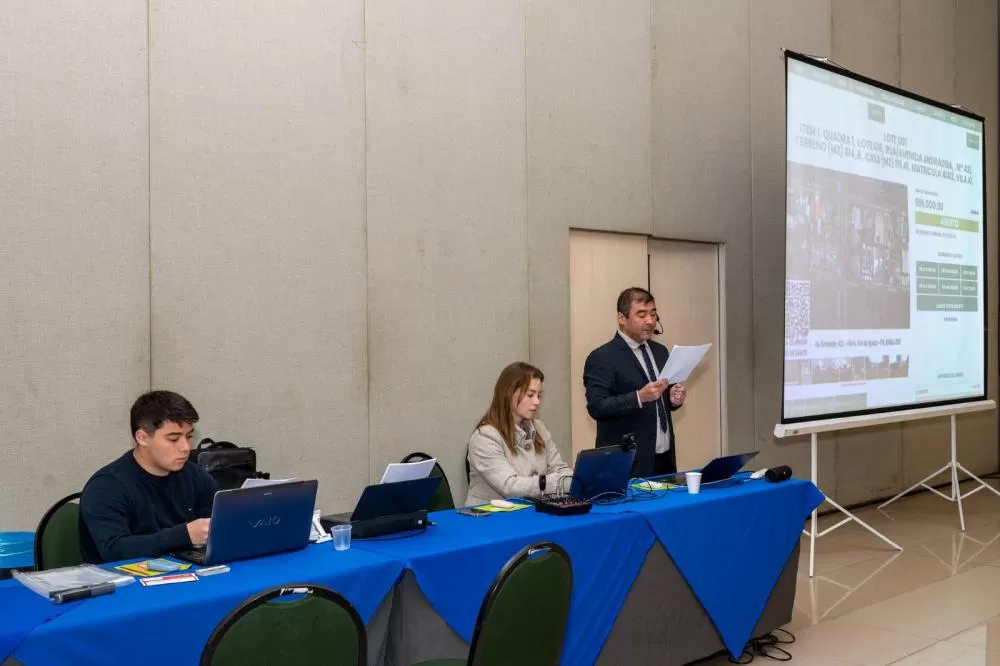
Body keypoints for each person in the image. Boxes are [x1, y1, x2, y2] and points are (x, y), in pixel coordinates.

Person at [79, 391, 218, 564]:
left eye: (189, 437)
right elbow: (114, 550)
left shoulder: (194, 475)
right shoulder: (106, 487)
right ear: (142, 438)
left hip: (183, 572)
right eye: (174, 439)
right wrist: (185, 535)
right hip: (122, 582)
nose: (185, 447)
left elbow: (218, 525)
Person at [583, 287, 687, 478]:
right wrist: (639, 397)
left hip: (664, 458)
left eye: (653, 314)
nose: (650, 321)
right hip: (628, 464)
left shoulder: (661, 351)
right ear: (622, 318)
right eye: (642, 315)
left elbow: (661, 399)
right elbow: (597, 407)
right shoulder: (602, 357)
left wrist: (672, 399)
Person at [465, 362, 573, 506]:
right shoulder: (484, 437)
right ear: (509, 393)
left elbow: (560, 469)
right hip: (491, 520)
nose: (537, 402)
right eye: (530, 395)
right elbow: (510, 487)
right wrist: (556, 481)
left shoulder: (539, 428)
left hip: (531, 513)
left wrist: (571, 478)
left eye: (539, 395)